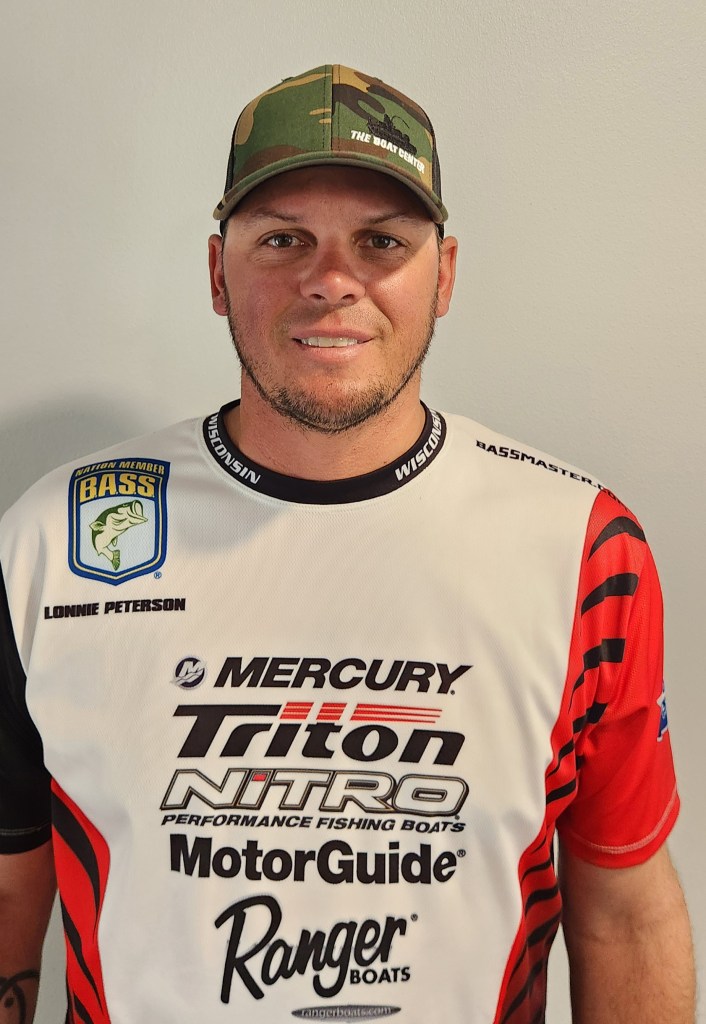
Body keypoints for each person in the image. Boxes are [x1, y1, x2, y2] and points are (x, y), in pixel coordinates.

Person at [0, 64, 694, 1024]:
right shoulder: (58, 539)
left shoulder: (582, 548)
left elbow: (624, 914)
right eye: (283, 239)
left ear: (444, 275)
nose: (331, 281)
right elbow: (9, 895)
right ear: (217, 273)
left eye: (382, 242)